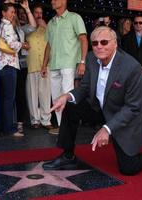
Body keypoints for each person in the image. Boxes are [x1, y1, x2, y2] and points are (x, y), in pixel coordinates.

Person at [42, 26, 142, 175]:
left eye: (104, 42)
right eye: (95, 43)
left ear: (115, 43)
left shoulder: (131, 67)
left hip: (125, 117)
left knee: (129, 168)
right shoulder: (91, 58)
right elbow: (85, 87)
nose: (99, 47)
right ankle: (68, 155)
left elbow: (133, 107)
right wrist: (67, 96)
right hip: (101, 109)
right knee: (71, 106)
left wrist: (107, 129)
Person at [41, 0, 88, 134]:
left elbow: (83, 39)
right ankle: (63, 127)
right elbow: (48, 46)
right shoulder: (50, 23)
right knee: (56, 98)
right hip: (54, 64)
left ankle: (69, 127)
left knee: (67, 96)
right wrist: (44, 65)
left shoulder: (74, 18)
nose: (52, 1)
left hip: (69, 64)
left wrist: (82, 62)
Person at [0, 3, 30, 137]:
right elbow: (12, 44)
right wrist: (23, 45)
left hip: (5, 65)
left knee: (6, 98)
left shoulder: (2, 25)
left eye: (14, 12)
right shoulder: (8, 26)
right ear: (3, 13)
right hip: (9, 65)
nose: (13, 14)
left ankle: (6, 127)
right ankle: (9, 129)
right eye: (11, 12)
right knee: (9, 99)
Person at [121, 15, 142, 127]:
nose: (138, 25)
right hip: (131, 72)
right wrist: (134, 67)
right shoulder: (126, 37)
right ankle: (131, 121)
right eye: (136, 23)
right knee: (131, 97)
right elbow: (124, 55)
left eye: (140, 22)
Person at [26, 4, 54, 130]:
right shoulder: (27, 29)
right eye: (36, 12)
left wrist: (46, 27)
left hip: (45, 65)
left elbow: (55, 41)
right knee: (32, 95)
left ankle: (46, 120)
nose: (38, 15)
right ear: (32, 13)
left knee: (45, 94)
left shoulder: (47, 29)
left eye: (40, 13)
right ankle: (34, 120)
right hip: (31, 65)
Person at [13, 0, 36, 134]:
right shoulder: (3, 26)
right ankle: (9, 123)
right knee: (10, 95)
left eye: (20, 14)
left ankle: (20, 123)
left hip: (21, 65)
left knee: (21, 94)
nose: (17, 15)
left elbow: (33, 26)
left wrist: (27, 9)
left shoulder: (21, 29)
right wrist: (22, 44)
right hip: (9, 64)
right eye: (16, 12)